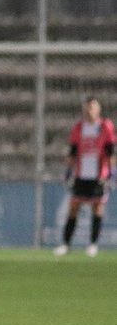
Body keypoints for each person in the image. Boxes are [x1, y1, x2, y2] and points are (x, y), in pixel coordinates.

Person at [54, 96, 116, 257]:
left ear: (98, 109)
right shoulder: (78, 127)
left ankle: (93, 244)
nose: (89, 111)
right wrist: (68, 170)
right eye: (87, 107)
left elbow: (110, 151)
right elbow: (73, 151)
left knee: (97, 208)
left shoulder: (105, 126)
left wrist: (111, 172)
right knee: (73, 207)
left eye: (92, 107)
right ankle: (66, 244)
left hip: (98, 174)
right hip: (81, 174)